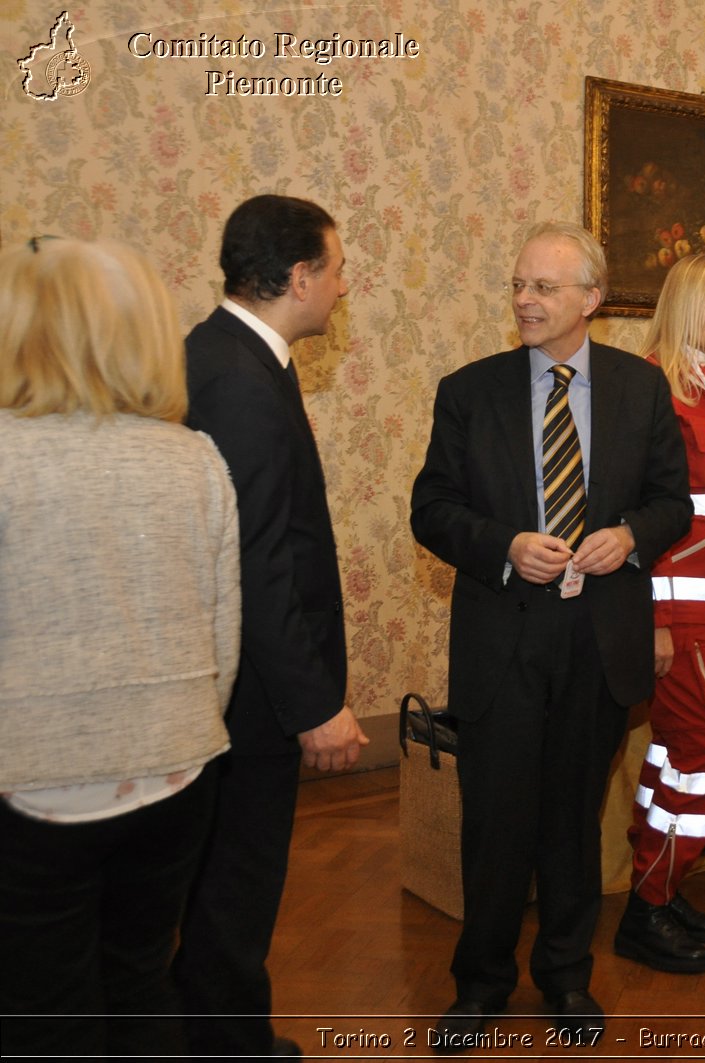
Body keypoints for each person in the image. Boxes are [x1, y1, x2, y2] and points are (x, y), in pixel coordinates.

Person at [411, 222, 690, 1049]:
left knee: (574, 817)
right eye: (519, 286)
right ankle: (481, 983)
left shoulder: (642, 390)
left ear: (590, 299)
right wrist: (505, 546)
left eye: (543, 288)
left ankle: (567, 976)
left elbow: (676, 500)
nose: (525, 301)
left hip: (598, 640)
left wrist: (632, 535)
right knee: (496, 818)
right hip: (505, 637)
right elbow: (431, 508)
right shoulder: (470, 391)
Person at [0, 237, 238, 1060]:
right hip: (176, 768)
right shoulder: (194, 458)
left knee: (40, 1005)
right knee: (140, 978)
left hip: (34, 782)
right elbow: (222, 640)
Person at [177, 194, 368, 1059]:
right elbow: (258, 562)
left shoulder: (228, 356)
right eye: (334, 268)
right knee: (235, 882)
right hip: (248, 695)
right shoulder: (240, 381)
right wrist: (313, 704)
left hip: (230, 681)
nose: (342, 284)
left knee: (220, 877)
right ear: (298, 277)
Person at [615, 254, 705, 974]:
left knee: (676, 753)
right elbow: (642, 515)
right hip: (673, 616)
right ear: (683, 305)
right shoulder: (650, 391)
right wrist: (655, 621)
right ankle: (647, 903)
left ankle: (660, 889)